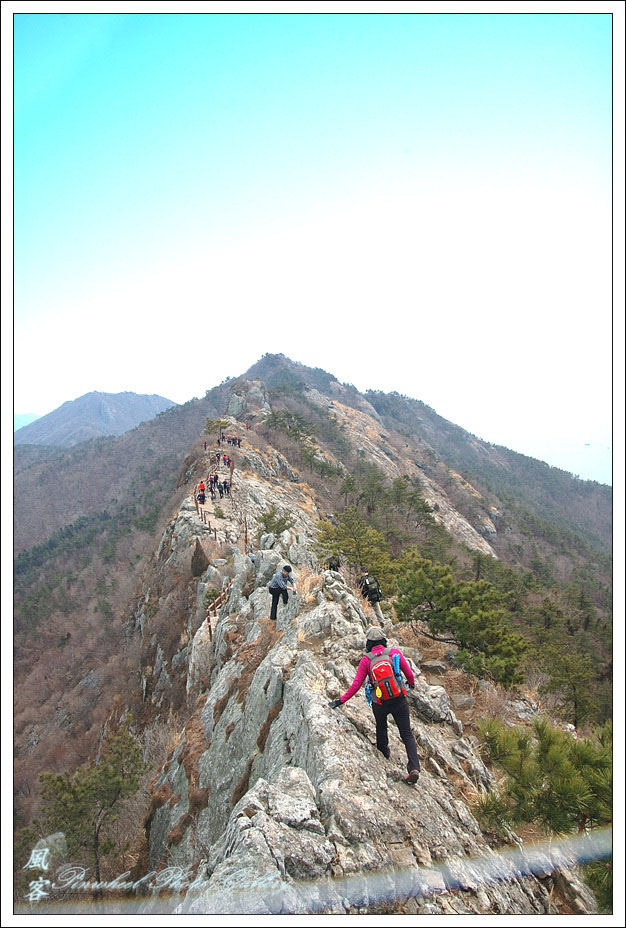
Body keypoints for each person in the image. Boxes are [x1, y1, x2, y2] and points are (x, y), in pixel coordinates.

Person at [329, 626, 421, 784]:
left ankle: (383, 754)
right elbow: (409, 674)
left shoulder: (367, 660)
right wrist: (411, 684)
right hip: (399, 699)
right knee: (406, 734)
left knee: (381, 726)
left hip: (380, 701)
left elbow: (356, 685)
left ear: (369, 642)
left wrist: (340, 701)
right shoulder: (394, 653)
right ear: (383, 640)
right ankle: (414, 768)